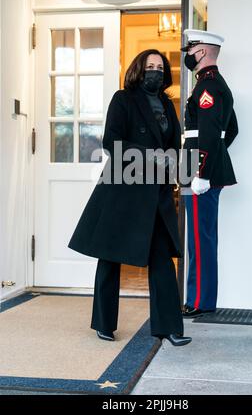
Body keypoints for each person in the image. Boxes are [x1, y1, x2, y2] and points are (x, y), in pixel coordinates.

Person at [68, 49, 192, 346]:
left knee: (162, 261)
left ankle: (170, 328)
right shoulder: (123, 99)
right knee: (111, 258)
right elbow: (112, 141)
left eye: (160, 68)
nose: (155, 72)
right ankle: (104, 323)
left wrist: (176, 167)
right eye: (149, 66)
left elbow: (174, 145)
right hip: (124, 190)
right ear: (139, 69)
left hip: (157, 193)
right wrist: (152, 158)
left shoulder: (166, 103)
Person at [180, 29, 239, 318]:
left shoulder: (208, 87)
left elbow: (210, 132)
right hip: (203, 168)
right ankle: (202, 298)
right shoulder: (216, 85)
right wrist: (213, 157)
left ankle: (200, 301)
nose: (188, 55)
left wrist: (202, 172)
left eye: (191, 49)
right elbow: (231, 131)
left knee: (200, 239)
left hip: (199, 172)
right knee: (203, 237)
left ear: (202, 52)